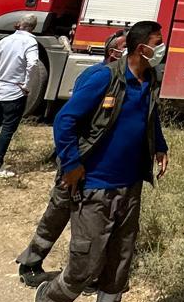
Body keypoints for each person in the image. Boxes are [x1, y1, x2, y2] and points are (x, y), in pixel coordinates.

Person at [27, 20, 169, 302]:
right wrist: (72, 164)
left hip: (130, 189)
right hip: (95, 189)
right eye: (158, 43)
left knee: (117, 271)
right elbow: (65, 120)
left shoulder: (149, 80)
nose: (163, 49)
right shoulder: (104, 77)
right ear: (140, 48)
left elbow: (150, 117)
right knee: (83, 268)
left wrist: (160, 145)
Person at [15, 33, 129, 287]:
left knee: (96, 223)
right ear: (113, 53)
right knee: (60, 209)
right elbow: (68, 121)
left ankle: (89, 272)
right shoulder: (97, 77)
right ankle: (31, 261)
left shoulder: (128, 81)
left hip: (104, 167)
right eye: (126, 46)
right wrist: (70, 163)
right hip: (80, 161)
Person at [0, 16, 41, 179]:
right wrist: (25, 84)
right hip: (15, 92)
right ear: (33, 28)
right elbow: (33, 63)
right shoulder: (30, 42)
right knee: (7, 130)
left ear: (19, 25)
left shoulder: (5, 40)